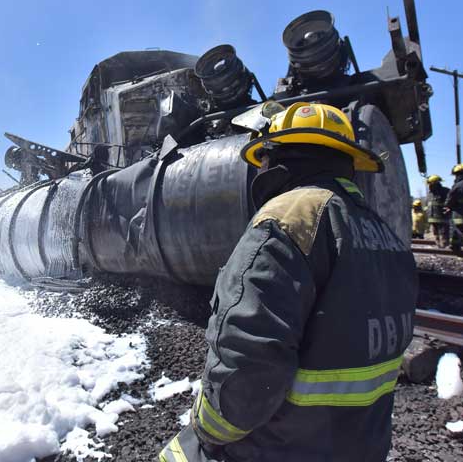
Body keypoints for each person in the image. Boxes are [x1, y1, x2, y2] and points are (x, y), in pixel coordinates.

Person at [159, 102, 417, 462]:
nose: (259, 168)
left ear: (280, 157)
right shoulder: (385, 234)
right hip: (360, 446)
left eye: (263, 156)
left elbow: (247, 370)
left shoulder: (289, 219)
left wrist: (206, 431)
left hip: (285, 447)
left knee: (176, 456)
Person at [425, 175, 450, 248]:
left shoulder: (445, 191)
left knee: (444, 234)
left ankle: (445, 248)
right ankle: (439, 247)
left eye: (430, 184)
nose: (429, 185)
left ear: (435, 183)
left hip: (442, 217)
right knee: (435, 234)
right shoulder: (430, 194)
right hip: (432, 218)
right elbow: (428, 205)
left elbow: (450, 202)